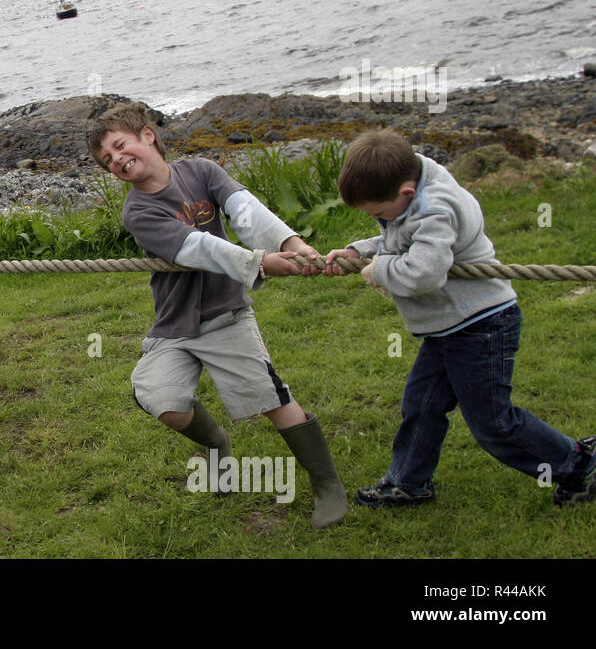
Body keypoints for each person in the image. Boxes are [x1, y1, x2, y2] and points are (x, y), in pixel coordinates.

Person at [86, 102, 347, 529]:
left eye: (119, 146)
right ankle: (216, 443)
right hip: (174, 324)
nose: (115, 160)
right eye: (106, 160)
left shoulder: (201, 172)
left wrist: (293, 243)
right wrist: (259, 263)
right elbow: (197, 249)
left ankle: (327, 486)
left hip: (225, 315)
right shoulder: (137, 212)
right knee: (160, 400)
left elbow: (246, 212)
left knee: (272, 401)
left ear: (147, 135)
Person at [325, 129, 595, 507]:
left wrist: (378, 270)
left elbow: (424, 272)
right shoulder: (412, 186)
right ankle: (408, 482)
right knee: (422, 405)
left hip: (481, 325)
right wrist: (361, 250)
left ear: (405, 193)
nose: (377, 220)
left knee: (494, 425)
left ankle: (579, 463)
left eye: (377, 214)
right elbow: (401, 239)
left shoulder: (436, 207)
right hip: (447, 327)